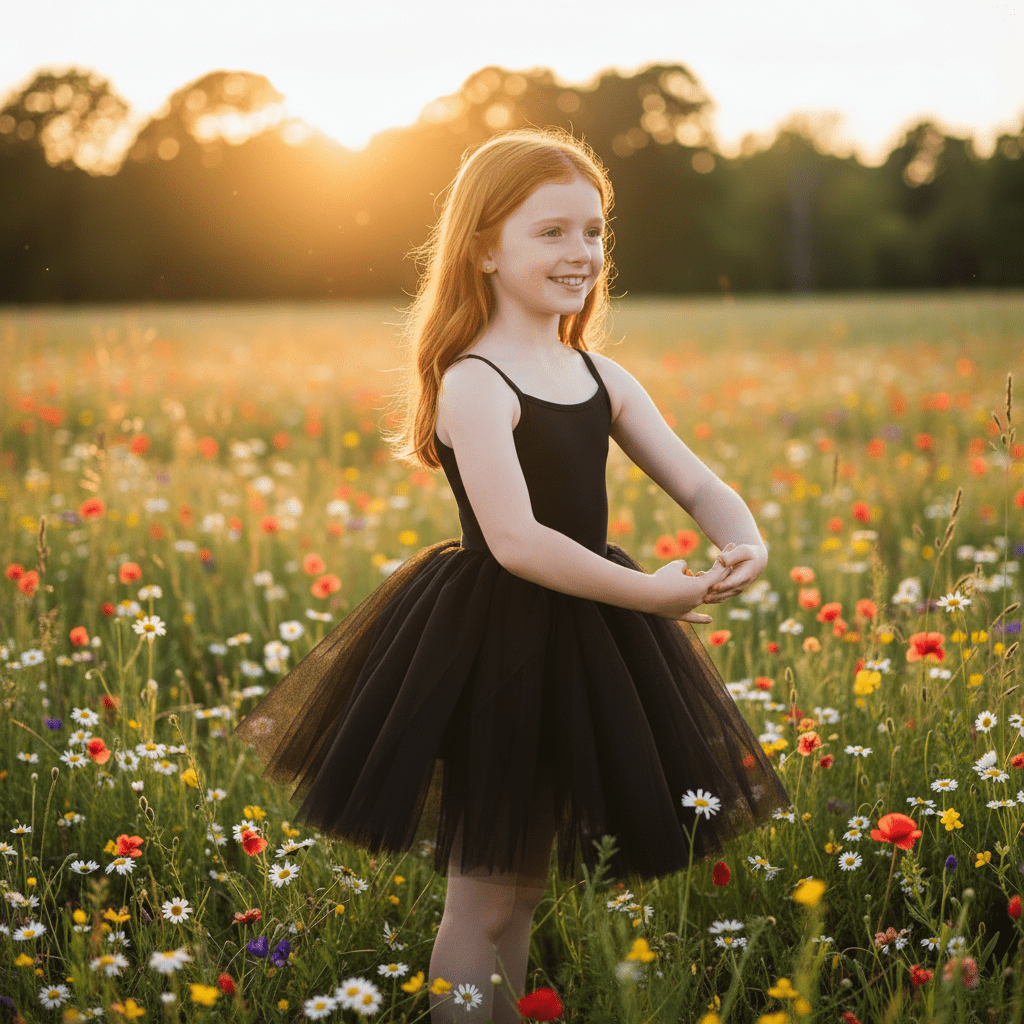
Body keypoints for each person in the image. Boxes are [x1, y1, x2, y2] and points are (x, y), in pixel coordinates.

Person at [234, 127, 790, 1023]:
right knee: (482, 898)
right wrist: (654, 593)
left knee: (522, 894)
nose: (581, 254)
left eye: (594, 232)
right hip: (496, 648)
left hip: (585, 637)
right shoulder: (475, 381)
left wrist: (744, 537)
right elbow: (518, 540)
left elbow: (693, 479)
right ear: (485, 247)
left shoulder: (599, 374)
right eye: (551, 232)